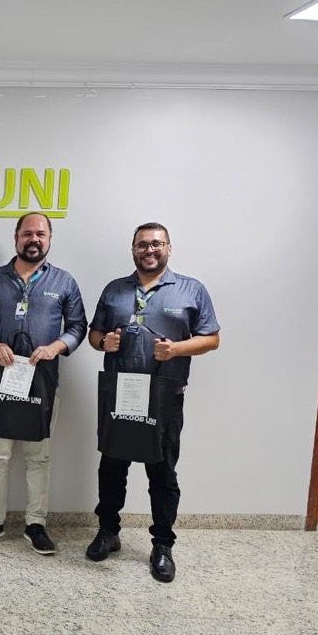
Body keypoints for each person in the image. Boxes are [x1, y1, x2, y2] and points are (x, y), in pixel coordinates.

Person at [86, 222, 220, 582]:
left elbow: (212, 338)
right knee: (112, 468)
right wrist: (103, 343)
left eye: (157, 244)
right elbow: (94, 334)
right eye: (142, 244)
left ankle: (162, 545)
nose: (150, 249)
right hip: (120, 394)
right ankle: (108, 532)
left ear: (169, 248)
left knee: (162, 473)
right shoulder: (115, 289)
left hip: (164, 398)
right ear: (133, 250)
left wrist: (176, 349)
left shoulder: (191, 289)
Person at [0, 212, 87, 554]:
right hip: (0, 379)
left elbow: (78, 326)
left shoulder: (64, 281)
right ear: (16, 237)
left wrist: (56, 347)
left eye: (40, 234)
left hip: (43, 382)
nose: (33, 239)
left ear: (49, 238)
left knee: (39, 456)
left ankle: (36, 525)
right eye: (27, 233)